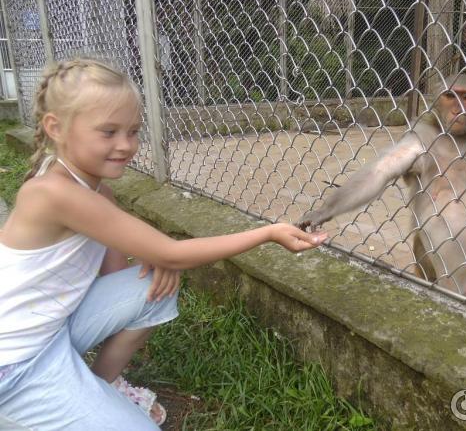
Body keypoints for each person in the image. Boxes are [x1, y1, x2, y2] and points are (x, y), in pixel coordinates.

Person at [0, 58, 327, 430]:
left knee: (153, 286)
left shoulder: (92, 189)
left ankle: (100, 386)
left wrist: (155, 259)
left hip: (51, 331)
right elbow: (171, 252)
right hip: (15, 366)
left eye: (133, 131)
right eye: (108, 132)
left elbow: (127, 265)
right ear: (56, 128)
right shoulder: (56, 194)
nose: (126, 145)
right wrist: (267, 233)